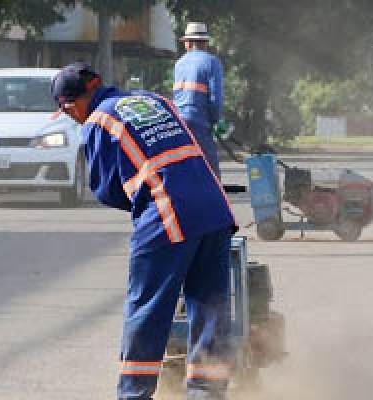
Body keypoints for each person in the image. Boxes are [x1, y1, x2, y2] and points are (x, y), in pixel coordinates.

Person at [50, 62, 237, 400]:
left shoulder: (98, 121)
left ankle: (134, 394)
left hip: (168, 215)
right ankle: (207, 392)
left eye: (66, 111)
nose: (71, 117)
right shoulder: (155, 100)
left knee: (148, 309)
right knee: (210, 309)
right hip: (215, 211)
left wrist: (140, 198)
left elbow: (106, 188)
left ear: (73, 102)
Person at [173, 22, 224, 177]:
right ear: (205, 43)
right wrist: (216, 121)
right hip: (199, 122)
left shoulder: (179, 64)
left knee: (184, 166)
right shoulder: (212, 62)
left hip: (178, 122)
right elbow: (216, 99)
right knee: (210, 170)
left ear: (188, 43)